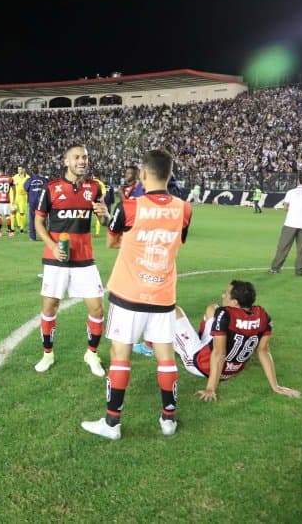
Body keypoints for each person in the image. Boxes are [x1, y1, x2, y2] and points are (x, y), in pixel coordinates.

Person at [81, 148, 192, 440]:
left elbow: (112, 243)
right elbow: (176, 241)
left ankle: (112, 423)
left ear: (143, 174)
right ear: (169, 175)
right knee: (166, 358)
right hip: (163, 295)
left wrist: (117, 228)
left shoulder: (129, 206)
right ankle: (168, 420)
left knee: (120, 355)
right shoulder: (184, 209)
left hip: (129, 293)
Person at [33, 145, 110, 378]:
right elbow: (38, 224)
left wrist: (104, 215)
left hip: (85, 260)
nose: (82, 161)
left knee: (97, 307)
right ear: (66, 161)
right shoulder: (51, 189)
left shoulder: (95, 188)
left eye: (85, 157)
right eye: (76, 157)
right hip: (56, 260)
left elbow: (106, 222)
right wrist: (53, 246)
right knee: (49, 307)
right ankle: (48, 354)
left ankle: (92, 354)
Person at [173, 280, 301, 401]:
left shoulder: (225, 314)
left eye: (226, 294)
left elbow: (219, 354)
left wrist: (210, 388)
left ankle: (156, 342)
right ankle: (196, 339)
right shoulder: (262, 315)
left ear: (234, 302)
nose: (223, 295)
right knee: (212, 308)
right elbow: (263, 351)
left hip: (201, 364)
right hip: (232, 369)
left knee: (173, 311)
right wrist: (275, 386)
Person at [269, 172, 302, 277]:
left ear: (298, 180)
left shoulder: (291, 192)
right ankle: (299, 270)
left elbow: (285, 208)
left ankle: (275, 268)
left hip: (291, 223)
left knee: (283, 247)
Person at [25, 167, 49, 241]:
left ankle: (32, 237)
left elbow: (25, 188)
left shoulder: (29, 180)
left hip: (32, 201)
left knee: (32, 218)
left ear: (32, 172)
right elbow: (49, 187)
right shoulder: (44, 179)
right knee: (43, 218)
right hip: (41, 202)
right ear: (39, 171)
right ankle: (43, 236)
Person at [0, 169, 16, 237]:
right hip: (6, 199)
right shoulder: (10, 178)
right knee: (7, 215)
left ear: (0, 172)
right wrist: (14, 198)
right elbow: (14, 189)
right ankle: (10, 232)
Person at [12, 165, 30, 234]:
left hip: (23, 197)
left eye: (20, 169)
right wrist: (13, 183)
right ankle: (12, 228)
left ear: (24, 170)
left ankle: (22, 228)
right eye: (18, 169)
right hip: (16, 196)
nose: (19, 171)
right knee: (13, 211)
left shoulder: (28, 177)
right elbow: (10, 184)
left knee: (22, 213)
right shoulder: (15, 177)